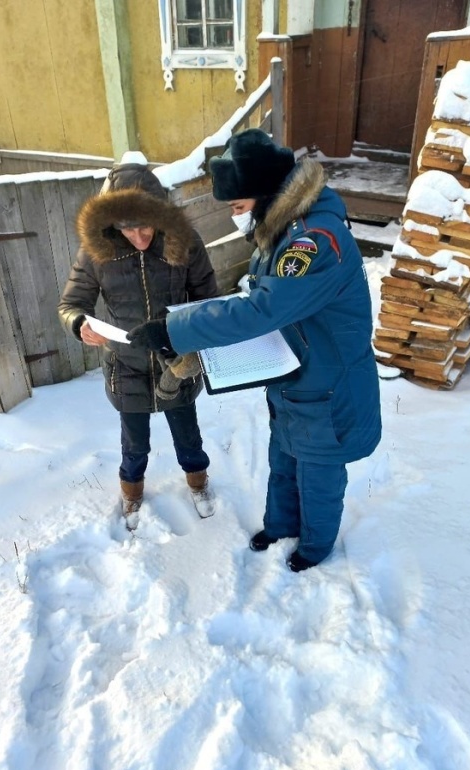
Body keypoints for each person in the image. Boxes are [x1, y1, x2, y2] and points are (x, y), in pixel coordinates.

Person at [127, 128, 382, 571]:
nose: (235, 217)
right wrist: (200, 348)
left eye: (238, 207)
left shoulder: (314, 241)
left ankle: (315, 548)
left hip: (328, 384)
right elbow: (257, 300)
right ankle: (281, 525)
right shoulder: (277, 229)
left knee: (318, 474)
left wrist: (176, 329)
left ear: (265, 195)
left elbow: (263, 309)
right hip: (293, 376)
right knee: (282, 461)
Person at [58, 159, 218, 530]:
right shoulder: (97, 252)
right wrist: (79, 324)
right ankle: (131, 493)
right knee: (134, 444)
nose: (140, 237)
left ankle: (198, 482)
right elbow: (71, 304)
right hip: (126, 364)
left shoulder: (184, 243)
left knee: (188, 436)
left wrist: (190, 336)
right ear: (112, 223)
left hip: (176, 362)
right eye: (128, 229)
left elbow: (208, 297)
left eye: (146, 226)